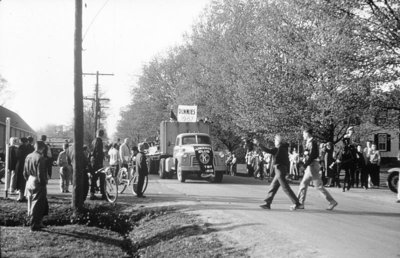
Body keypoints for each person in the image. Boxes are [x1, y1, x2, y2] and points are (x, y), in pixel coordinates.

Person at [254, 135, 302, 211]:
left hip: (279, 169)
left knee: (285, 187)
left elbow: (268, 150)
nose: (274, 142)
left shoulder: (279, 149)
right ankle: (267, 203)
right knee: (273, 186)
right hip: (279, 170)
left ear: (278, 141)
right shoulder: (283, 149)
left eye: (275, 140)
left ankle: (297, 203)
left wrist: (259, 144)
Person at [297, 128, 338, 210]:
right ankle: (300, 203)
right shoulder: (309, 142)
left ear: (308, 133)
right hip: (310, 166)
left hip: (313, 166)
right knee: (303, 184)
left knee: (318, 186)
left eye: (304, 134)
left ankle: (332, 201)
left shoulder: (313, 143)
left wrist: (305, 165)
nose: (303, 135)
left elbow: (312, 155)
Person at [23, 141, 49, 231]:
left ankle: (36, 222)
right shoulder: (40, 158)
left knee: (31, 202)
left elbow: (25, 171)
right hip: (37, 181)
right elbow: (40, 173)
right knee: (37, 203)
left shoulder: (28, 156)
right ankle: (35, 225)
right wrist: (43, 183)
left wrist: (27, 179)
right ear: (43, 148)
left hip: (29, 179)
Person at [91, 129, 106, 200]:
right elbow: (98, 152)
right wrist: (100, 162)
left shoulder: (94, 141)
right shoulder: (99, 141)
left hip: (94, 162)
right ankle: (103, 193)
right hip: (98, 162)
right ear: (102, 134)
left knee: (94, 178)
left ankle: (93, 193)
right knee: (102, 177)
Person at [15, 137, 30, 202]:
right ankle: (21, 197)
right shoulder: (26, 148)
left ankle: (21, 196)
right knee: (23, 181)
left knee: (20, 181)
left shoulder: (18, 148)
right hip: (24, 166)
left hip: (18, 165)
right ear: (26, 142)